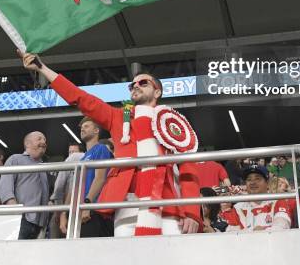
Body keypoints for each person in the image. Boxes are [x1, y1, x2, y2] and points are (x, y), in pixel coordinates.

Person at [18, 50, 202, 236]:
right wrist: (43, 69)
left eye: (143, 83)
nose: (136, 86)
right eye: (132, 85)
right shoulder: (118, 117)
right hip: (125, 204)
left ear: (157, 91)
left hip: (166, 204)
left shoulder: (170, 121)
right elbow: (80, 98)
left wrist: (192, 213)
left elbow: (188, 169)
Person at [60, 117, 114, 238]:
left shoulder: (101, 149)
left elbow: (100, 178)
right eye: (82, 127)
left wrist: (87, 205)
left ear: (96, 131)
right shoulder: (83, 158)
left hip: (94, 212)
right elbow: (74, 187)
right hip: (81, 211)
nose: (82, 129)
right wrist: (63, 212)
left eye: (87, 126)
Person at [0, 131, 50, 240]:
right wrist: (15, 211)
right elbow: (5, 186)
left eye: (45, 140)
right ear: (27, 143)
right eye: (39, 139)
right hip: (22, 219)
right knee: (14, 253)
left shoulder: (44, 167)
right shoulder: (15, 159)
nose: (43, 142)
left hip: (40, 225)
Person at [221, 165, 291, 231]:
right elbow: (231, 233)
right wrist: (255, 232)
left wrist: (260, 231)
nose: (252, 182)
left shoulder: (278, 202)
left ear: (267, 183)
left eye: (257, 179)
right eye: (249, 179)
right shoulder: (237, 207)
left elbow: (282, 225)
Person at [49, 147, 84, 239]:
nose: (71, 155)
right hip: (69, 207)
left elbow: (59, 187)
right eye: (69, 152)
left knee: (57, 242)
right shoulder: (68, 164)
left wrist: (60, 211)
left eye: (74, 152)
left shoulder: (76, 158)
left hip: (71, 208)